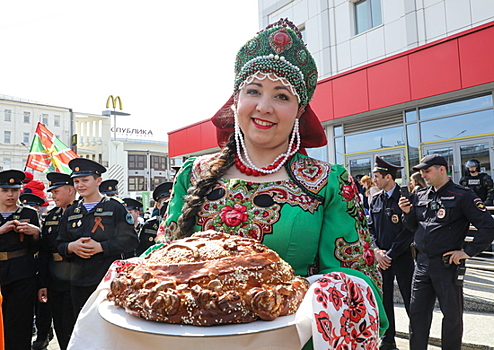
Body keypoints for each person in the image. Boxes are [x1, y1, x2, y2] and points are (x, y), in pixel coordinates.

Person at [148, 18, 387, 347]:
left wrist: (289, 294)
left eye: (281, 96)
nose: (264, 107)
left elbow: (359, 279)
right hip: (194, 338)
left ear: (299, 111)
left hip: (289, 339)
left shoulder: (327, 182)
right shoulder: (194, 173)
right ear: (236, 102)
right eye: (253, 91)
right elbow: (164, 258)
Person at [398, 154, 494, 350]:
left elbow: (488, 227)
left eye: (427, 171)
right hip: (422, 265)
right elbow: (412, 227)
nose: (423, 175)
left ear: (442, 169)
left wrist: (467, 251)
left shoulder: (463, 195)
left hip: (447, 266)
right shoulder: (420, 195)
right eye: (422, 172)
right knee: (417, 315)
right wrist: (407, 213)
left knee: (451, 317)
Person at [56, 158, 139, 319]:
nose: (80, 185)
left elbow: (131, 241)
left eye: (85, 180)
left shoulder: (115, 207)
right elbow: (59, 244)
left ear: (98, 181)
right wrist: (71, 247)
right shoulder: (71, 211)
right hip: (77, 282)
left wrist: (102, 247)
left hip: (107, 281)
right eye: (76, 181)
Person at [369, 156, 414, 350]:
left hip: (402, 258)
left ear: (388, 177)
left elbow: (409, 231)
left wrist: (391, 254)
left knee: (410, 300)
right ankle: (388, 340)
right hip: (381, 261)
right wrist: (377, 251)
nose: (374, 180)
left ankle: (417, 339)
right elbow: (370, 228)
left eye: (377, 176)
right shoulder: (376, 199)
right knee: (384, 300)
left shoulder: (406, 198)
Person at [0, 170, 41, 350]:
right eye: (5, 190)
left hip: (21, 274)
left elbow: (40, 248)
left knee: (20, 324)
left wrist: (36, 233)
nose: (10, 194)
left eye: (15, 190)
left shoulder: (29, 213)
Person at [37, 172, 77, 350]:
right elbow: (45, 251)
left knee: (74, 323)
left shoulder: (81, 213)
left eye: (56, 192)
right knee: (60, 323)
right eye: (51, 192)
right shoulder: (51, 216)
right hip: (55, 278)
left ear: (70, 190)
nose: (53, 196)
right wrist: (43, 283)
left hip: (77, 276)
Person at [135, 182, 172, 256]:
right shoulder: (150, 225)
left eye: (172, 201)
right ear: (158, 205)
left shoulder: (183, 221)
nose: (169, 204)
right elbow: (140, 250)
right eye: (165, 201)